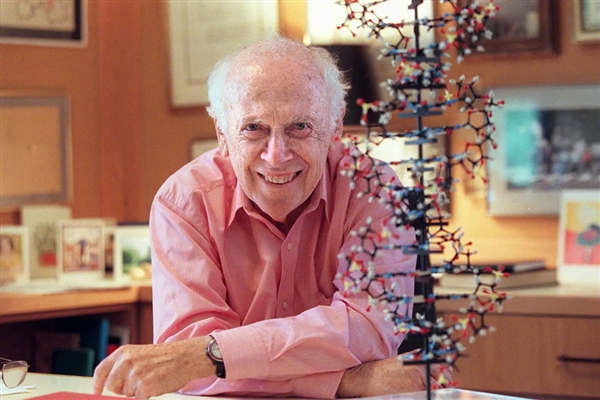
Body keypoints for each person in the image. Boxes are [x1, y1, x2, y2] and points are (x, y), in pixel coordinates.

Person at [93, 36, 450, 399]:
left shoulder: (374, 191)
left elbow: (368, 329)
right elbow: (190, 368)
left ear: (335, 127)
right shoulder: (184, 203)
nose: (276, 156)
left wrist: (215, 356)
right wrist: (344, 380)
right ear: (222, 133)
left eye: (300, 127)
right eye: (253, 128)